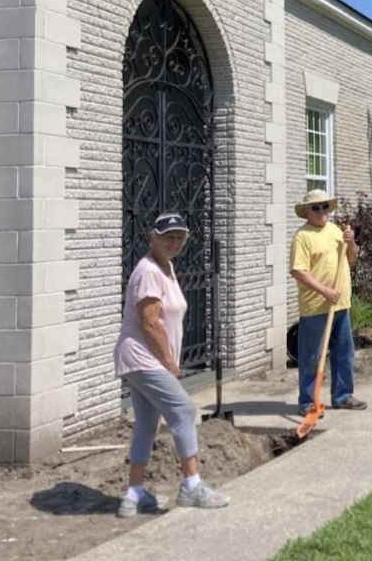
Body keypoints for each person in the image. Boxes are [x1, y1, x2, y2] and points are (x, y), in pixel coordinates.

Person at [113, 213, 230, 518]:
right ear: (153, 238)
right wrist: (168, 361)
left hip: (141, 359)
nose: (175, 243)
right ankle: (192, 486)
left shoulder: (166, 268)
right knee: (184, 410)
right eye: (168, 237)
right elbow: (149, 323)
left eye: (180, 238)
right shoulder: (149, 271)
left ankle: (134, 495)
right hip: (143, 357)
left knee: (147, 422)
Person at [290, 189, 366, 417]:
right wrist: (325, 291)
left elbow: (351, 258)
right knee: (312, 357)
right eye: (316, 207)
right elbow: (298, 271)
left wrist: (351, 243)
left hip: (341, 304)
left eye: (325, 206)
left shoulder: (335, 231)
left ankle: (342, 396)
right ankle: (307, 401)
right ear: (307, 211)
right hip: (316, 307)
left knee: (344, 353)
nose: (322, 211)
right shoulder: (303, 236)